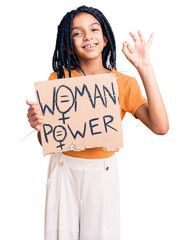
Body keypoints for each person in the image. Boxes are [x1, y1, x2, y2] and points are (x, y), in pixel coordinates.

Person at [26, 5, 169, 240]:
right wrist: (40, 128)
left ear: (104, 38)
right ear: (67, 44)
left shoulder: (123, 83)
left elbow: (160, 127)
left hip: (102, 174)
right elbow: (50, 140)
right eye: (77, 33)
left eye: (94, 29)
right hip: (64, 170)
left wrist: (145, 68)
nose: (87, 36)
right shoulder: (58, 81)